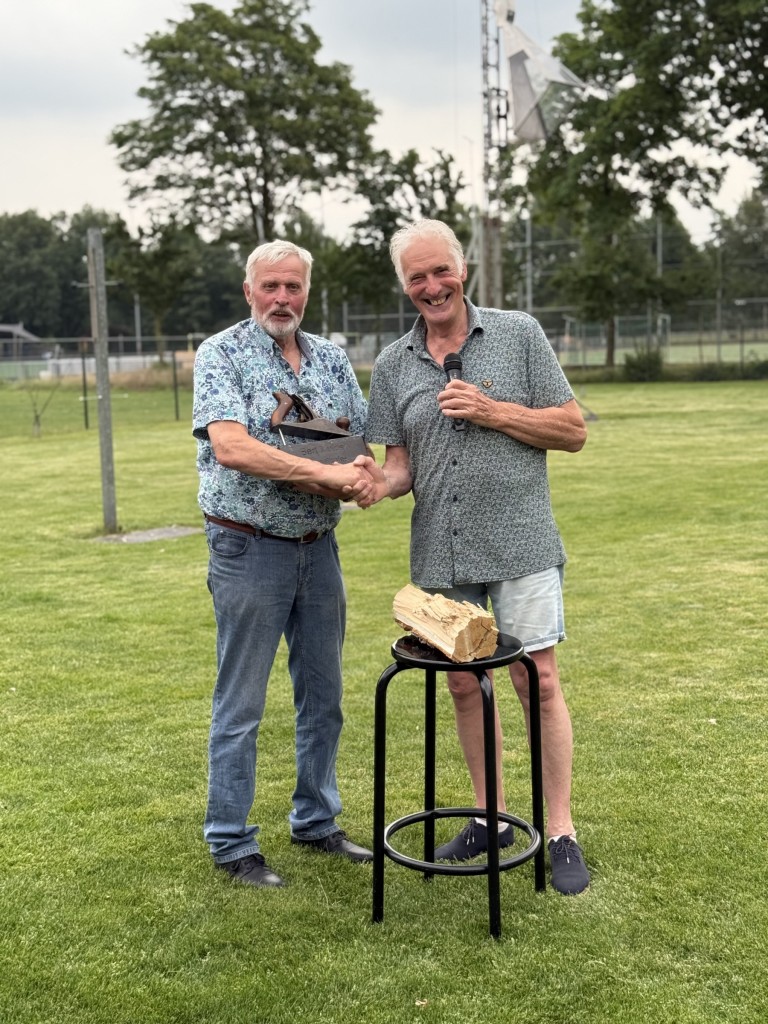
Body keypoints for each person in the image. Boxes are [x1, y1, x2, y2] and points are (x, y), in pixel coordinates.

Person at [356, 219, 590, 895]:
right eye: (417, 277)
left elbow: (572, 430)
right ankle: (490, 819)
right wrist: (373, 484)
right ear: (405, 286)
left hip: (521, 541)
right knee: (462, 684)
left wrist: (492, 410)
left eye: (441, 271)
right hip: (442, 551)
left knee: (535, 680)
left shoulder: (519, 334)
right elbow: (400, 467)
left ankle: (561, 829)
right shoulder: (394, 364)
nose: (432, 286)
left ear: (463, 271)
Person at [193, 239, 374, 888]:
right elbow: (232, 447)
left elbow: (357, 443)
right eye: (269, 286)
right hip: (248, 547)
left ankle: (317, 821)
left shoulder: (330, 357)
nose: (281, 298)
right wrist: (322, 476)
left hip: (318, 549)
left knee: (324, 697)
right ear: (249, 291)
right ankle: (231, 842)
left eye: (293, 286)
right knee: (241, 703)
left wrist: (360, 474)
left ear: (307, 291)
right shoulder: (221, 354)